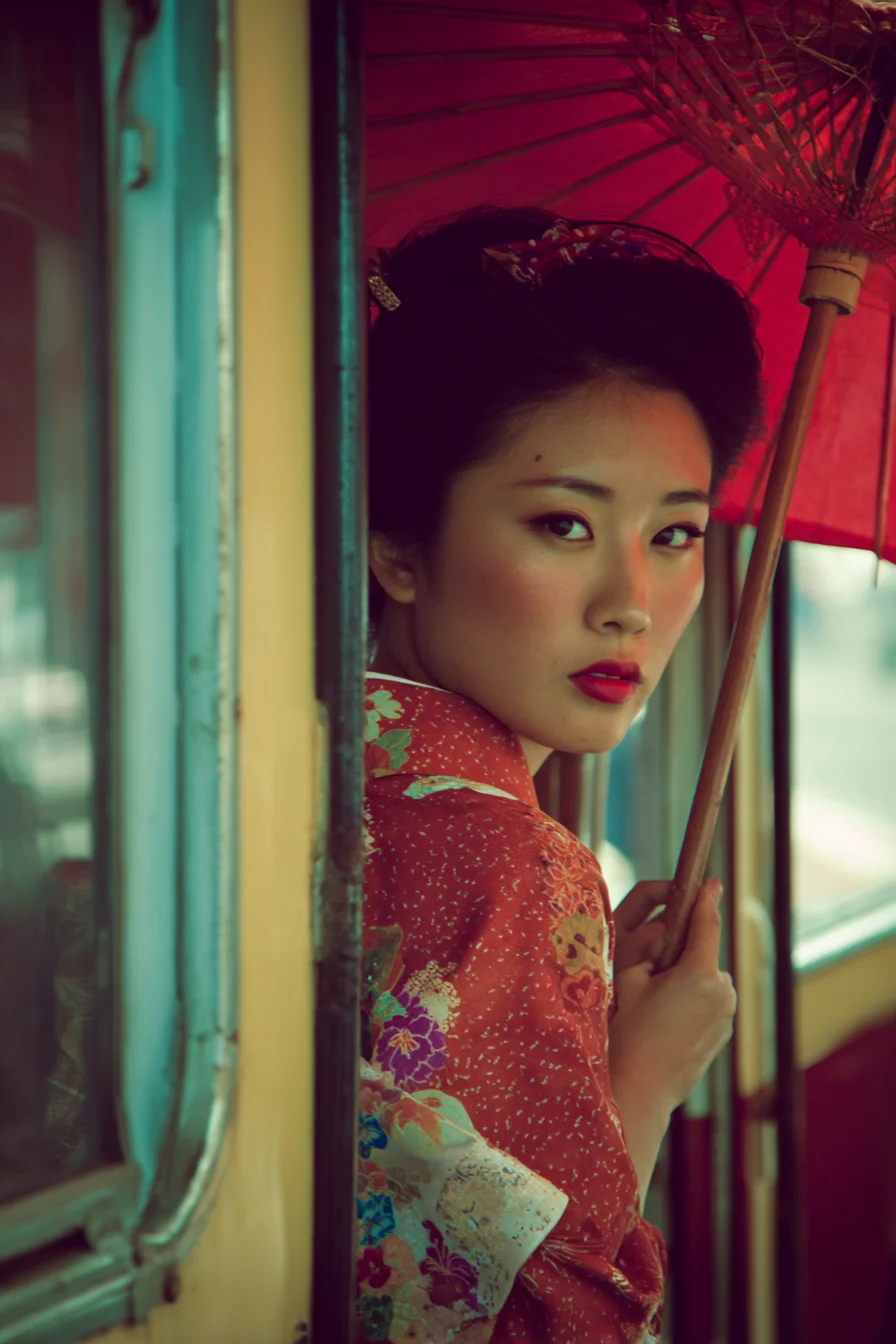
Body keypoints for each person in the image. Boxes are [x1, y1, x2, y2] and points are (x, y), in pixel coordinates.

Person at [358, 207, 760, 1343]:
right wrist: (644, 1077)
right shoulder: (512, 861)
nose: (630, 603)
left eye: (674, 535)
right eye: (564, 524)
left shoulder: (319, 780)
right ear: (398, 545)